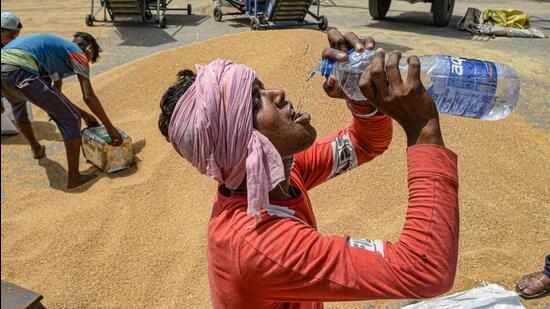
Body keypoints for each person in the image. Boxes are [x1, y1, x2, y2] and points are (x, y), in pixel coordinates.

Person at [158, 29, 458, 308]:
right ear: (239, 142)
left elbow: (365, 144)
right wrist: (423, 128)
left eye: (262, 87)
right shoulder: (261, 244)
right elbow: (423, 269)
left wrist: (359, 94)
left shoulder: (274, 177)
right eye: (255, 101)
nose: (278, 94)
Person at [1, 32, 122, 189]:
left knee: (18, 106)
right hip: (19, 69)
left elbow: (56, 97)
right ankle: (74, 178)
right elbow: (88, 96)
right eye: (89, 61)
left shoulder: (55, 51)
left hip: (6, 70)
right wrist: (110, 128)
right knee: (71, 120)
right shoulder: (78, 54)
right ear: (89, 50)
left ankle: (36, 149)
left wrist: (84, 114)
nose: (85, 66)